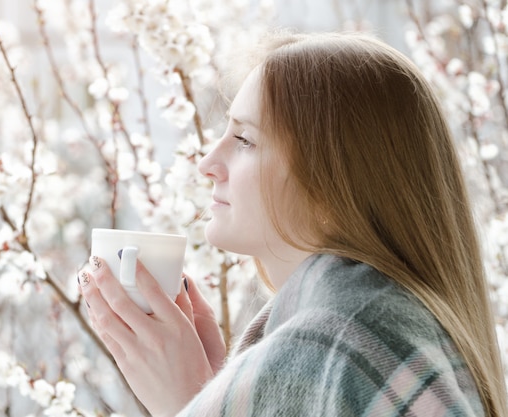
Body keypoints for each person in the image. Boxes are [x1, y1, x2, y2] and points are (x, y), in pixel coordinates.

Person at [78, 31, 508, 416]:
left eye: (244, 139)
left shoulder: (342, 343)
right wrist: (216, 392)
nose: (208, 164)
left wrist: (184, 404)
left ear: (333, 184)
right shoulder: (384, 331)